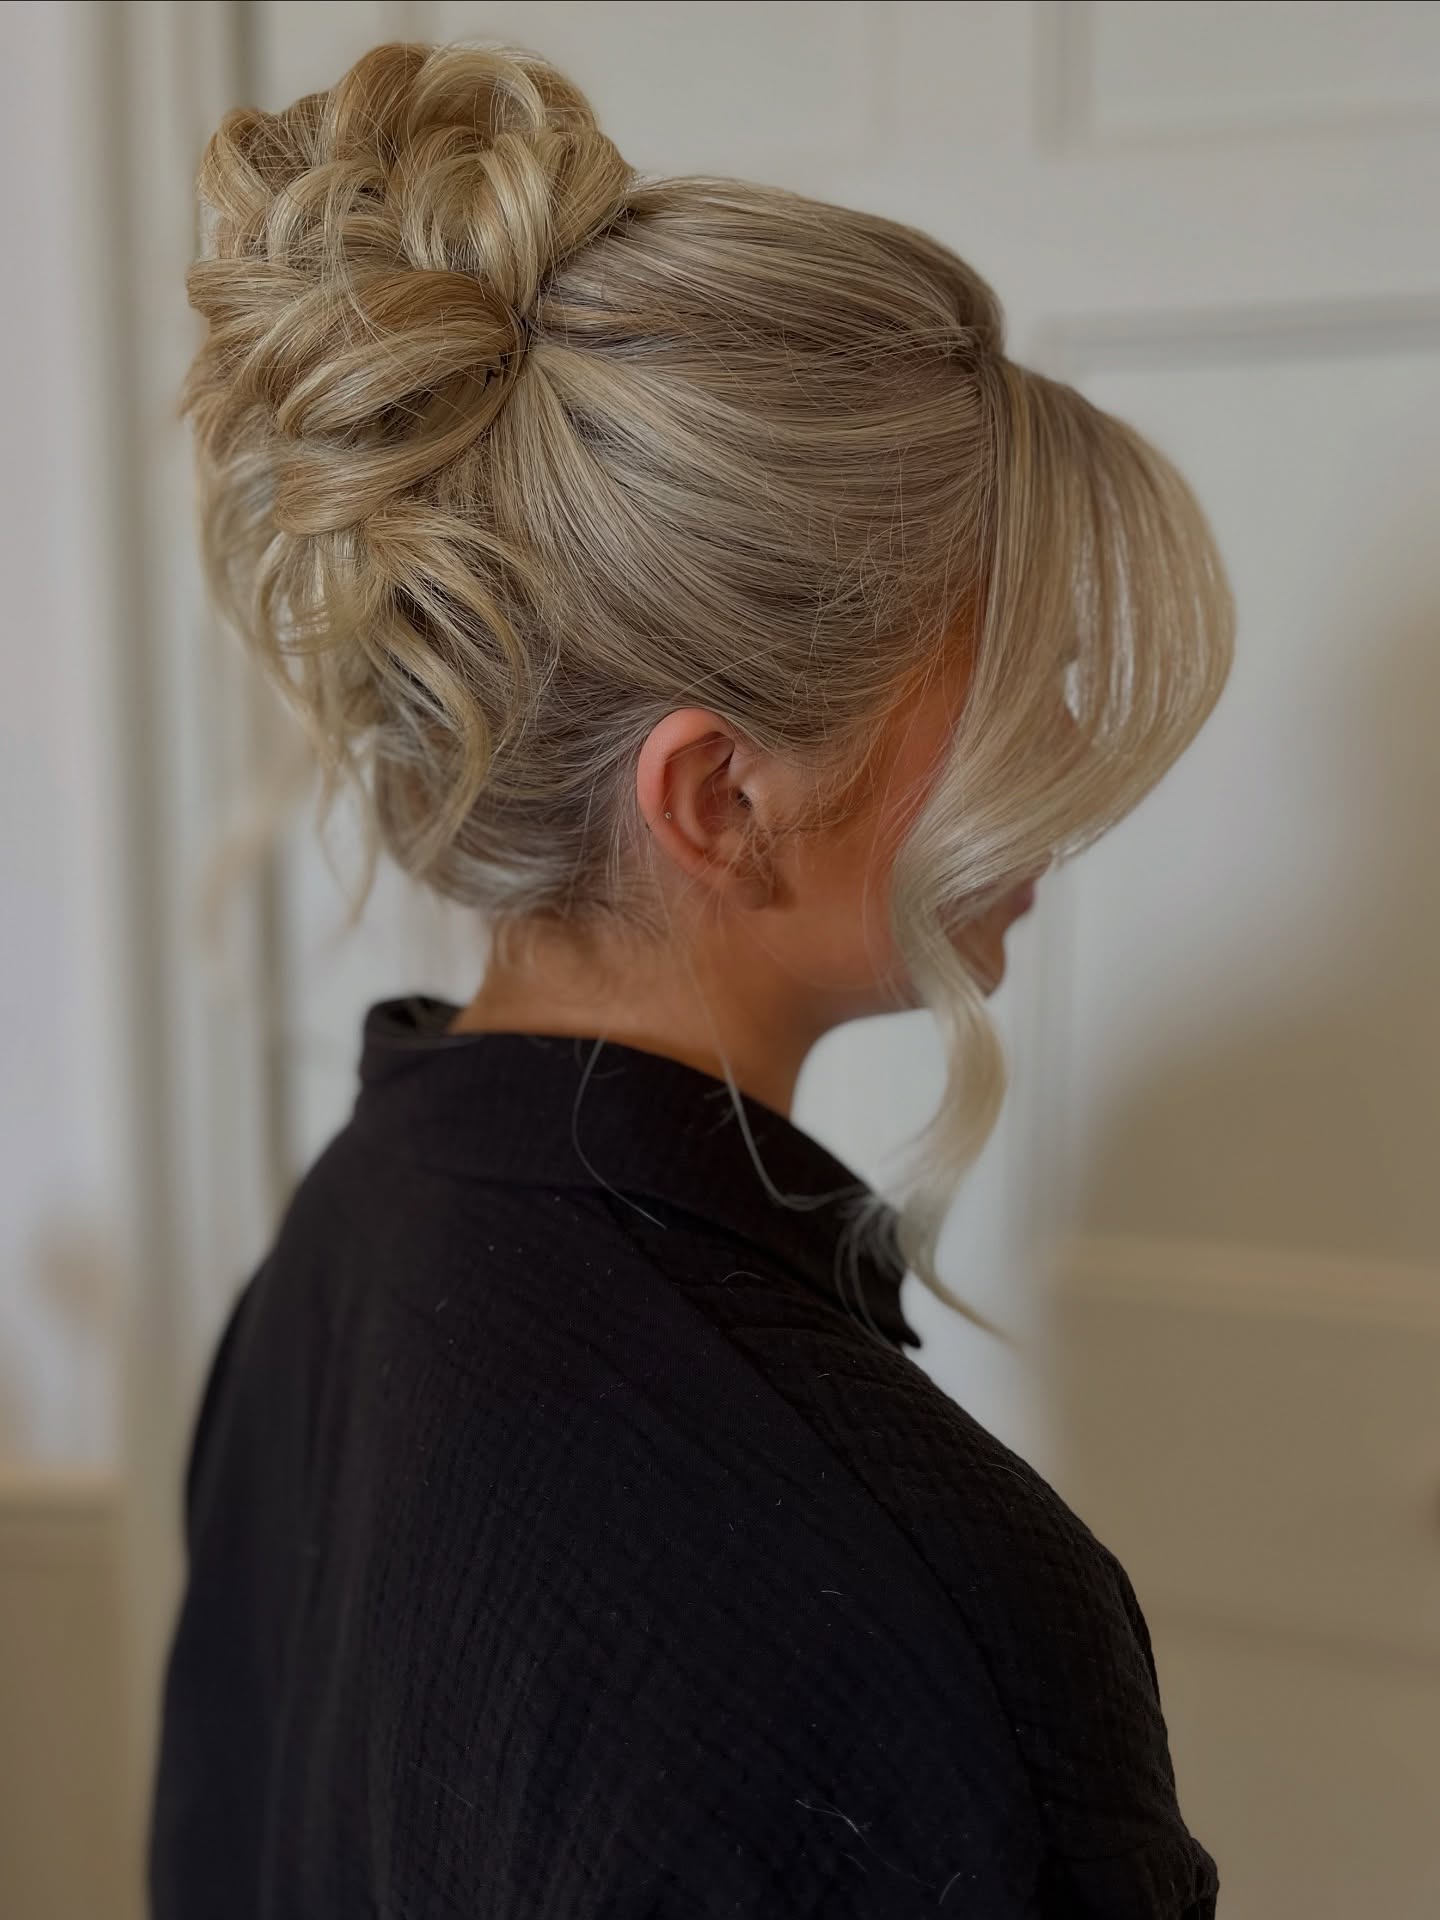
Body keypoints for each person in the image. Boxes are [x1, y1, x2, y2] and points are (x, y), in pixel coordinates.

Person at [149, 38, 1234, 1920]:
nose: (1059, 745)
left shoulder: (337, 1257)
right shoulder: (916, 1596)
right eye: (1012, 679)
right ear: (724, 797)